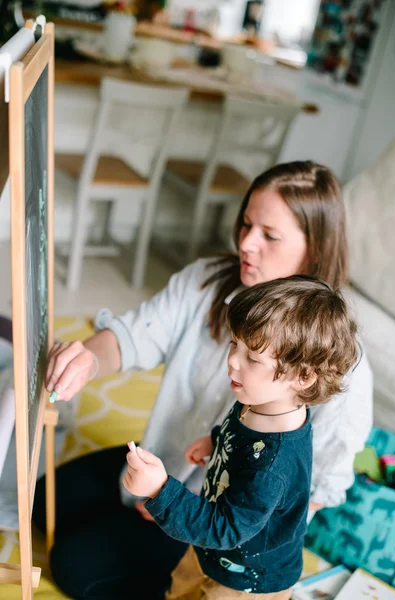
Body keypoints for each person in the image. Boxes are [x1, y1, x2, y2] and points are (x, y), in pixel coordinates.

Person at [33, 161, 373, 599]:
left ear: (316, 247)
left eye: (269, 235)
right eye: (246, 224)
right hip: (176, 472)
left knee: (74, 565)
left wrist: (173, 506)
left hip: (216, 529)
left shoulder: (334, 359)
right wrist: (88, 359)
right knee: (45, 502)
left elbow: (304, 493)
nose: (246, 243)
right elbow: (137, 335)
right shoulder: (209, 281)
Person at [123, 276, 359, 599]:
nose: (232, 359)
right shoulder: (259, 399)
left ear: (302, 376)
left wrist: (160, 491)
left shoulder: (274, 464)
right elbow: (243, 433)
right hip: (211, 548)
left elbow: (225, 527)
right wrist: (217, 440)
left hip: (248, 579)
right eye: (235, 344)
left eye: (252, 357)